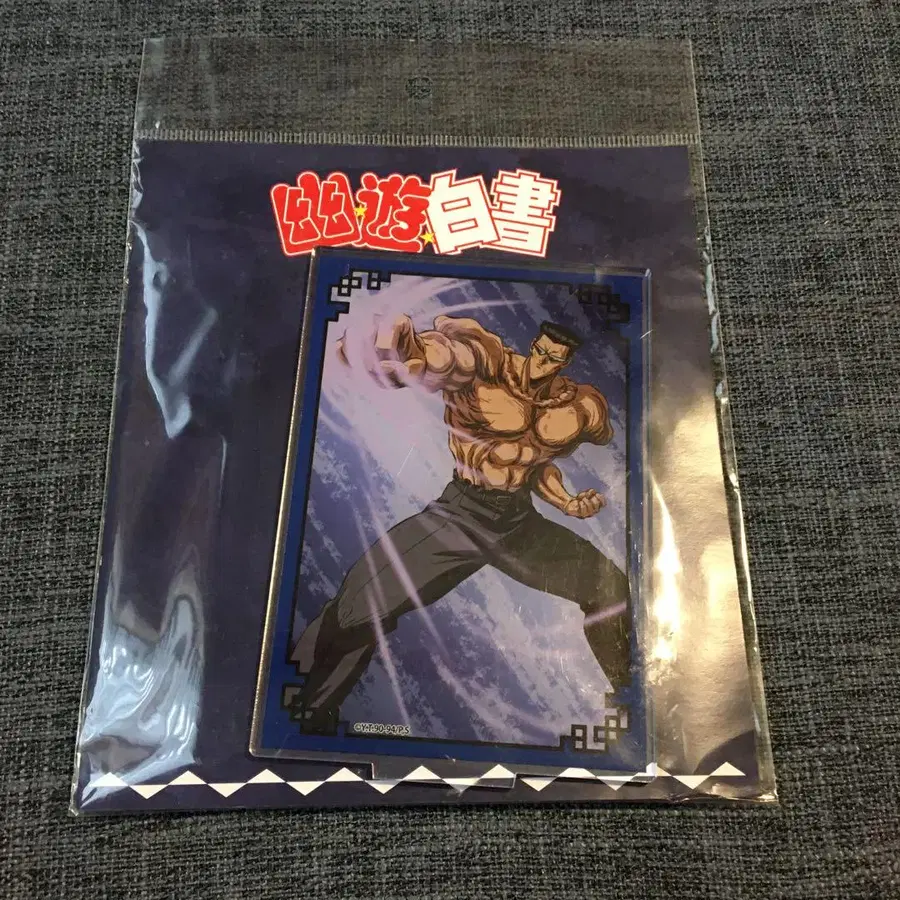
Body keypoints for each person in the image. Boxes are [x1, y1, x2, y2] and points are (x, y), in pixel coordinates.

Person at [289, 314, 631, 732]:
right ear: (534, 343)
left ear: (566, 361)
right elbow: (448, 358)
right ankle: (304, 714)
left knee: (610, 588)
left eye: (553, 359)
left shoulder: (579, 406)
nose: (541, 362)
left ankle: (633, 705)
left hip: (517, 523)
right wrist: (409, 352)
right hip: (462, 514)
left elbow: (533, 465)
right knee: (356, 606)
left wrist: (567, 502)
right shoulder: (488, 365)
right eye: (539, 351)